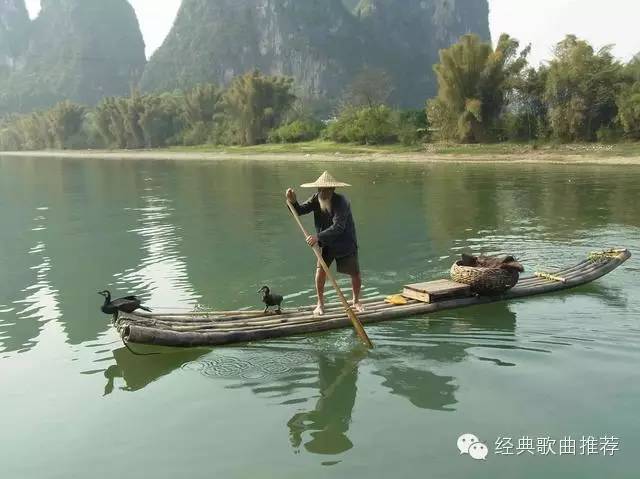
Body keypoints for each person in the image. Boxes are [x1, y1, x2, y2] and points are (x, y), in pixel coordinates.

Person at [286, 171, 363, 317]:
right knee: (320, 271)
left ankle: (356, 301)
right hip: (325, 244)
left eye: (325, 189)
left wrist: (317, 236)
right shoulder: (316, 198)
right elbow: (299, 211)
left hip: (344, 242)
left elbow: (339, 226)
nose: (322, 192)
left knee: (354, 273)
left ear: (333, 189)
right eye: (320, 189)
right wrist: (292, 201)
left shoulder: (342, 202)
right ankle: (320, 303)